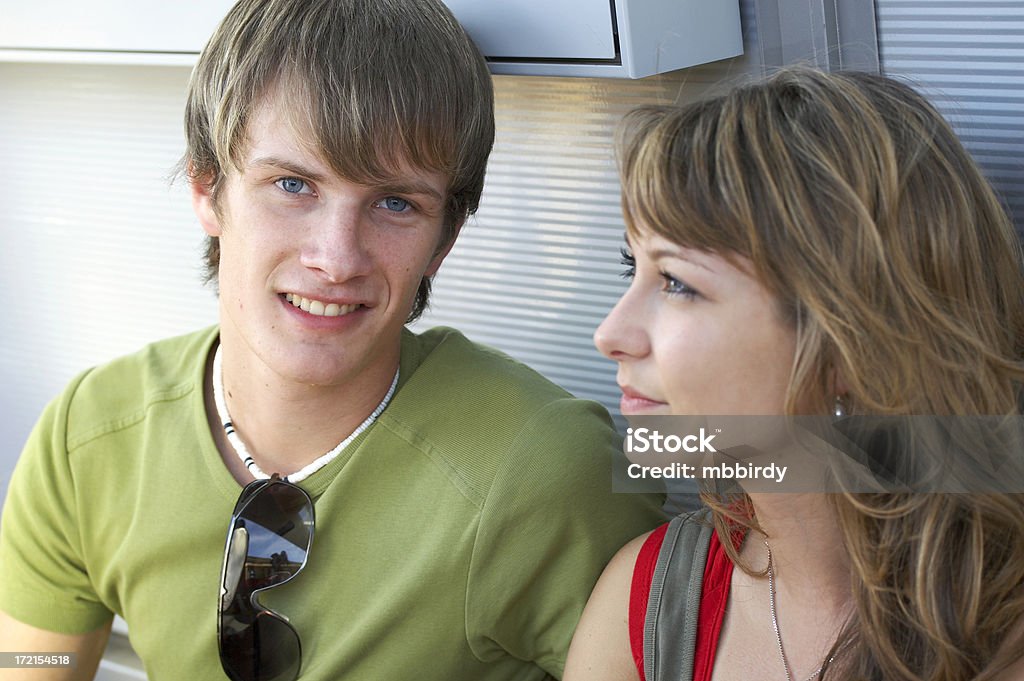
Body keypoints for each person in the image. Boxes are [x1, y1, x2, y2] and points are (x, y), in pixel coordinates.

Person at [0, 1, 666, 679]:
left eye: (396, 203)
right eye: (293, 185)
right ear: (207, 186)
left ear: (444, 241)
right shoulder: (88, 437)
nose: (337, 256)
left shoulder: (544, 471)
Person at [564, 67, 1024, 681]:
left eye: (677, 282)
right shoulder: (647, 598)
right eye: (634, 269)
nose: (609, 335)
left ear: (849, 342)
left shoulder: (1003, 634)